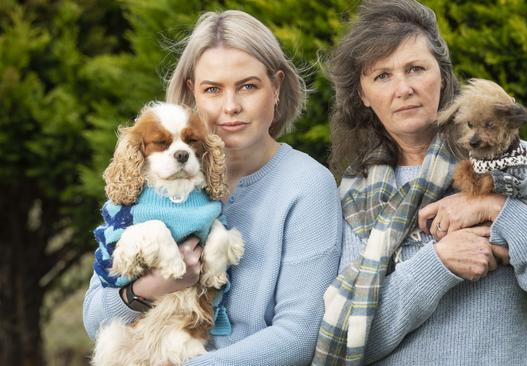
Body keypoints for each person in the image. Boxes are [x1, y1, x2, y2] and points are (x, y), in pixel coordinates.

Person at [312, 0, 527, 365]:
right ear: (363, 96)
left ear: (442, 76)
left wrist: (495, 209)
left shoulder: (513, 161)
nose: (402, 88)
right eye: (382, 76)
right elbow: (350, 340)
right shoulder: (354, 194)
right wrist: (438, 265)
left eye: (415, 68)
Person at [83, 9, 342, 365]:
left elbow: (298, 337)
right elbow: (94, 318)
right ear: (193, 94)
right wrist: (148, 289)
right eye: (213, 89)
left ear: (277, 87)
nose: (231, 106)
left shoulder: (307, 185)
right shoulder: (153, 180)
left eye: (248, 86)